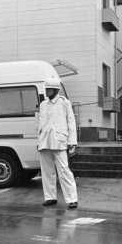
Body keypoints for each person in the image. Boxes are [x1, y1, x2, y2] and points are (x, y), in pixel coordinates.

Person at [36, 77, 78, 209]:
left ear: (55, 90)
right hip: (45, 141)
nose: (46, 91)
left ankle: (72, 199)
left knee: (64, 170)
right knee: (47, 171)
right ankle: (50, 198)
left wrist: (72, 142)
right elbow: (40, 123)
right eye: (46, 89)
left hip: (59, 141)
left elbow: (71, 122)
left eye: (49, 89)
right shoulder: (43, 104)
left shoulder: (64, 103)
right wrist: (39, 139)